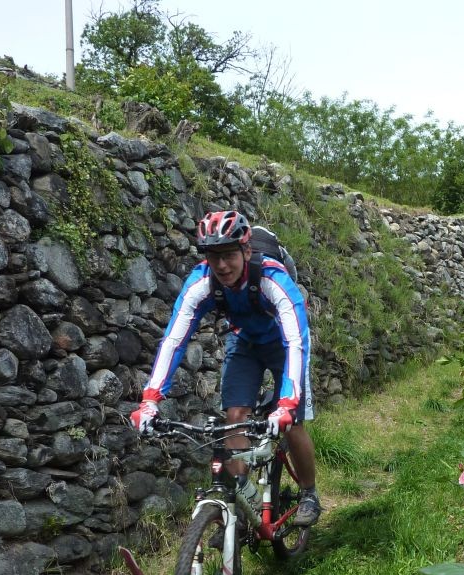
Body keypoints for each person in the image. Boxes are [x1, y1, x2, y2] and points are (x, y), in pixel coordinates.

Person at [130, 209, 322, 526]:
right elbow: (174, 340)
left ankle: (309, 494)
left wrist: (287, 403)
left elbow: (294, 341)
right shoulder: (201, 283)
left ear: (246, 251)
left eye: (229, 255)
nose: (221, 265)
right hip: (244, 340)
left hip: (284, 344)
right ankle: (241, 506)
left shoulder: (272, 279)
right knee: (235, 417)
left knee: (293, 424)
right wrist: (150, 400)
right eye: (213, 256)